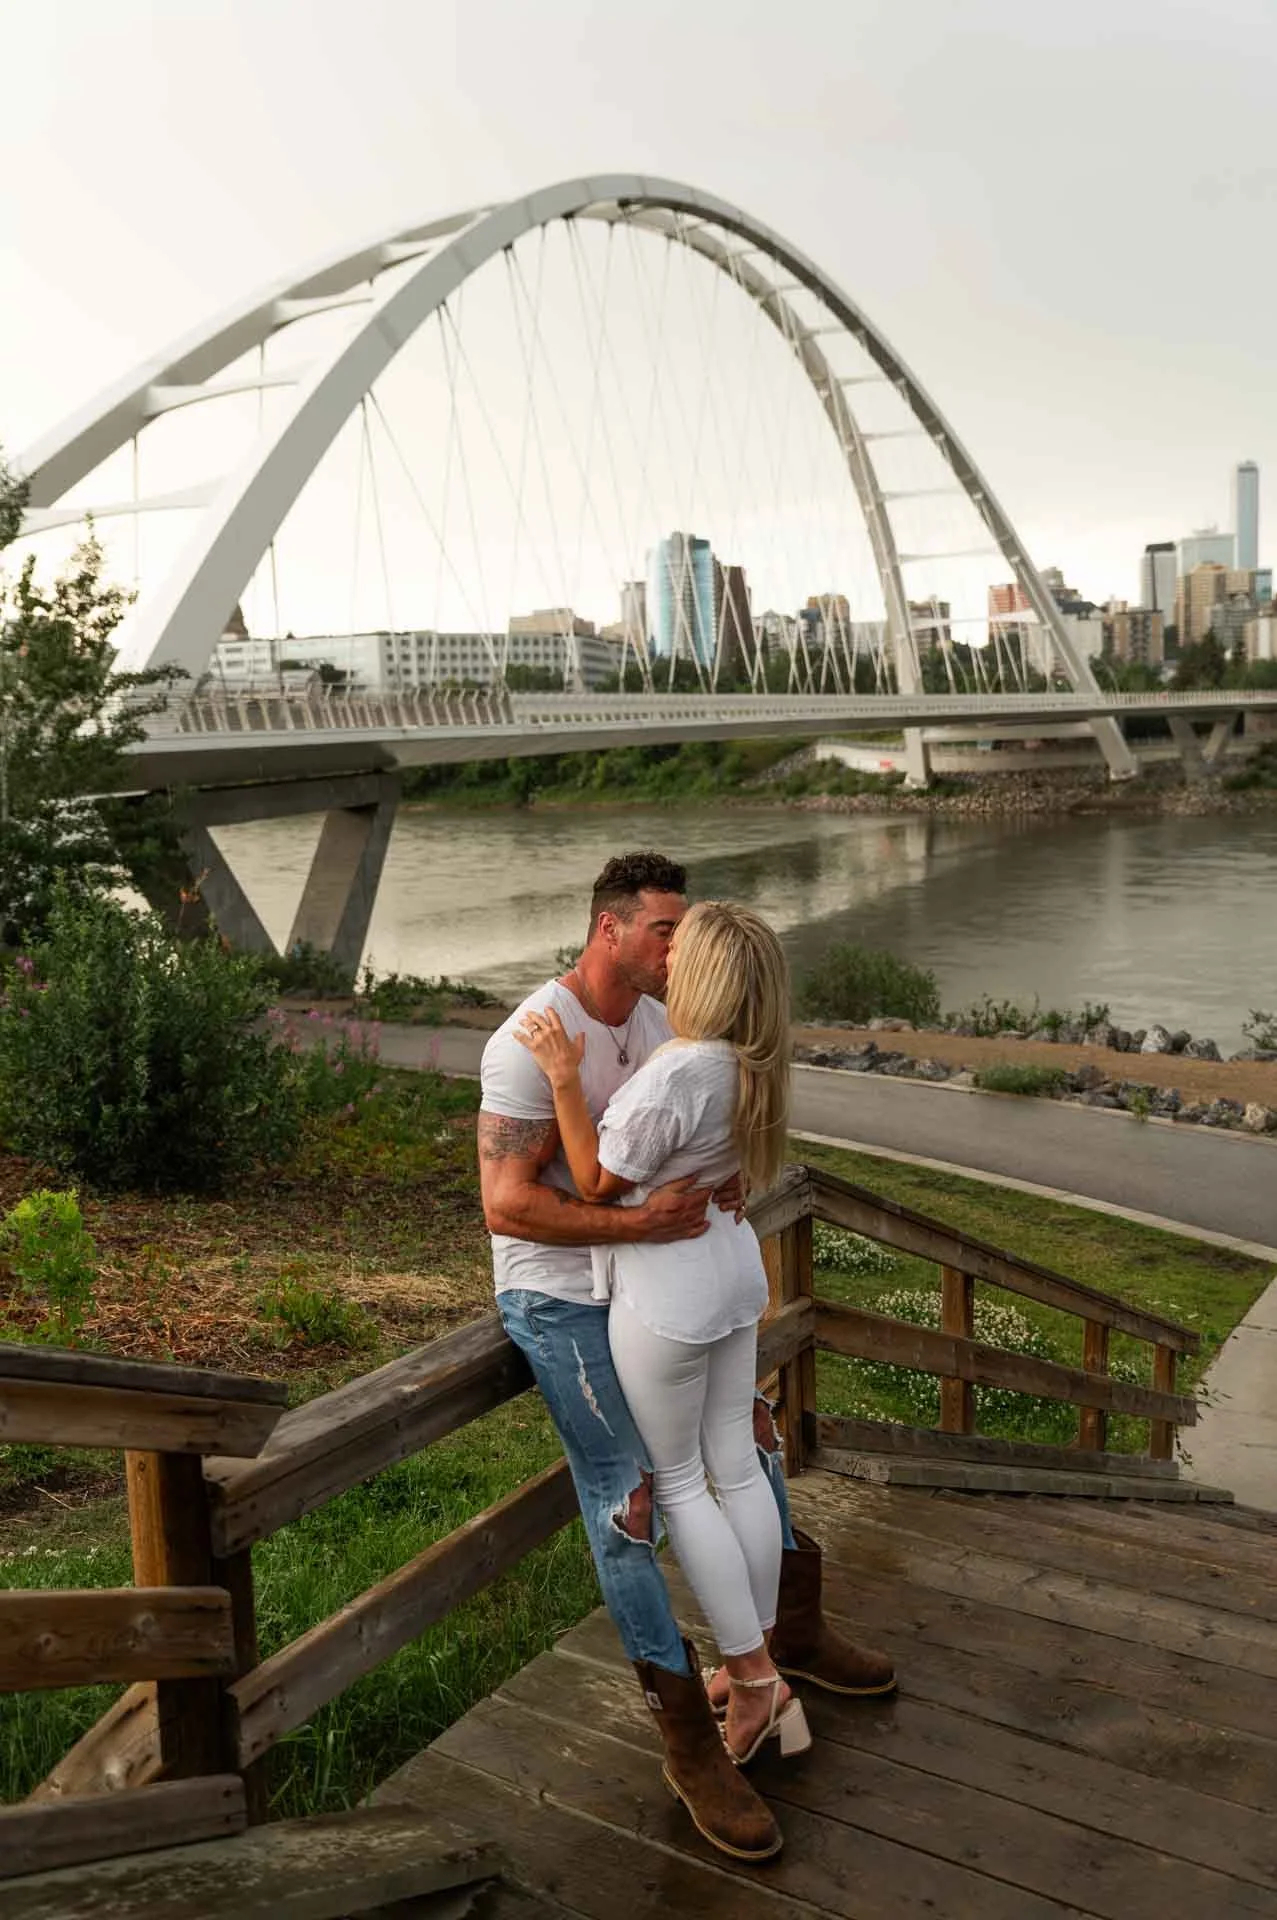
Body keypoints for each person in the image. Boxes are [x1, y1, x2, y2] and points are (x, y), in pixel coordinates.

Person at [478, 852, 894, 1862]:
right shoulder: (529, 1042)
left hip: (669, 1281)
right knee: (631, 1502)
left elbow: (686, 1141)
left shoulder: (677, 1027)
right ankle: (691, 1734)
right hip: (567, 1293)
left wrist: (696, 1208)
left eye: (687, 933)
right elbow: (510, 1202)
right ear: (609, 927)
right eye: (664, 929)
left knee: (746, 1450)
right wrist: (655, 1225)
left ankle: (777, 1642)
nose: (677, 947)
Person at [514, 901, 809, 1774]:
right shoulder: (755, 1065)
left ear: (711, 977)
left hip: (670, 1289)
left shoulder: (681, 1070)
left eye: (684, 954)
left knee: (680, 1482)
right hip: (731, 1271)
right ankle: (757, 1658)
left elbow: (602, 1183)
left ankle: (755, 1680)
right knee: (734, 1465)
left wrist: (564, 1075)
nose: (668, 963)